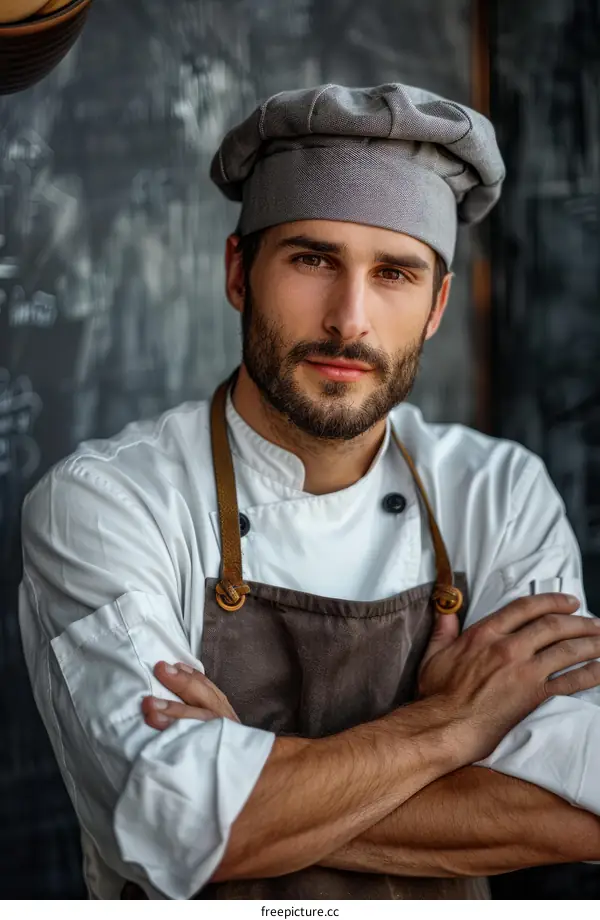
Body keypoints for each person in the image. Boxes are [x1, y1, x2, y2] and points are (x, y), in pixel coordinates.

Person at [18, 82, 600, 901]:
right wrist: (454, 727)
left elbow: (576, 811)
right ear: (239, 273)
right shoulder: (107, 503)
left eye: (394, 272)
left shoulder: (499, 492)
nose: (348, 319)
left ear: (436, 306)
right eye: (313, 260)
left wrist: (246, 798)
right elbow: (172, 821)